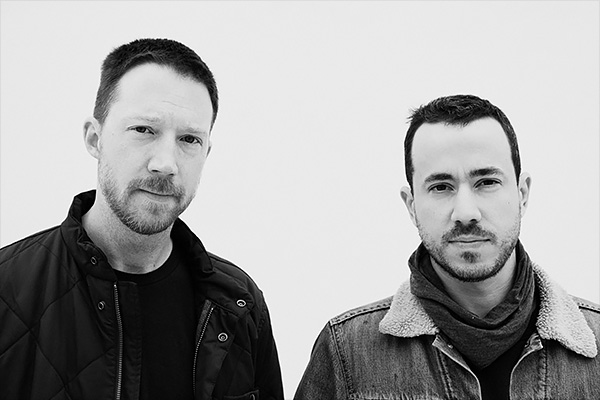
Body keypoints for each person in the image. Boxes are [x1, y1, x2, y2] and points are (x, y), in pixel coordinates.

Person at [0, 38, 283, 400]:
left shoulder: (240, 305)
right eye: (144, 130)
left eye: (189, 139)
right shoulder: (7, 290)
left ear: (207, 153)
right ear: (94, 138)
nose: (165, 163)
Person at [294, 94, 600, 399]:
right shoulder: (347, 352)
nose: (466, 212)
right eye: (441, 187)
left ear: (522, 193)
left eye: (487, 182)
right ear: (411, 205)